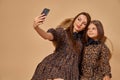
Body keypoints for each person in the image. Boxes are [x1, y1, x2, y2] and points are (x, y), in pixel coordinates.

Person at [31, 12, 91, 80]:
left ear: (85, 27)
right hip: (54, 66)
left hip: (71, 71)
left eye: (84, 23)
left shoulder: (84, 40)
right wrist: (36, 27)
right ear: (74, 20)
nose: (80, 24)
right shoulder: (63, 32)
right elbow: (47, 36)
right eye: (79, 19)